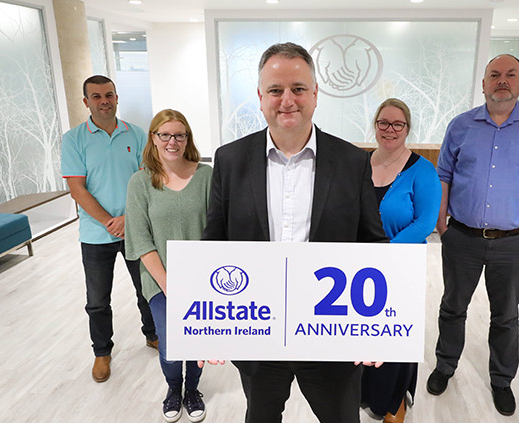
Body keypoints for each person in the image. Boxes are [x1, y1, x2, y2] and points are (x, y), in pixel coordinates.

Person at [201, 42, 388, 423]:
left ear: (315, 94)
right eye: (275, 90)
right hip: (257, 334)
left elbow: (373, 243)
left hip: (331, 334)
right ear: (260, 97)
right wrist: (209, 327)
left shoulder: (353, 162)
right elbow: (214, 243)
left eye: (298, 89)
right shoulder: (229, 160)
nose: (287, 100)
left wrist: (376, 328)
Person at [426, 54, 519, 416]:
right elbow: (444, 176)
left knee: (506, 315)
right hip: (463, 238)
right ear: (484, 84)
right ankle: (445, 366)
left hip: (516, 242)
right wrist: (443, 228)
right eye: (494, 75)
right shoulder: (461, 125)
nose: (502, 80)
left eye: (510, 75)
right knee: (453, 307)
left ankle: (501, 380)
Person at [61, 75, 158, 383]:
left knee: (147, 290)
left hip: (136, 229)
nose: (104, 101)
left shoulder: (138, 134)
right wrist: (109, 221)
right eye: (96, 96)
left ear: (117, 97)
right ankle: (102, 353)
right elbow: (78, 189)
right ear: (86, 102)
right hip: (95, 235)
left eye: (109, 95)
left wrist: (129, 219)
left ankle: (153, 334)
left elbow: (148, 182)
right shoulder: (73, 139)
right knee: (98, 300)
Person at [125, 109, 211, 422]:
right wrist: (167, 283)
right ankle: (174, 387)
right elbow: (140, 238)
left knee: (198, 336)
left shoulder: (205, 176)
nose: (172, 141)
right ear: (153, 138)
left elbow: (216, 229)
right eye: (165, 135)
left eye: (179, 135)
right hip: (158, 276)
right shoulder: (140, 182)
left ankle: (193, 389)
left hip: (201, 277)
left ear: (187, 139)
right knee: (172, 342)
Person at [360, 98, 441, 423]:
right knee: (363, 332)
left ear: (407, 129)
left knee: (393, 334)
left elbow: (425, 223)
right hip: (360, 267)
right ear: (375, 126)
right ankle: (365, 395)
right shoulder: (359, 164)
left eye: (398, 124)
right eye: (383, 123)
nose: (389, 130)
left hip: (400, 268)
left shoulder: (422, 170)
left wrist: (386, 252)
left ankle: (394, 404)